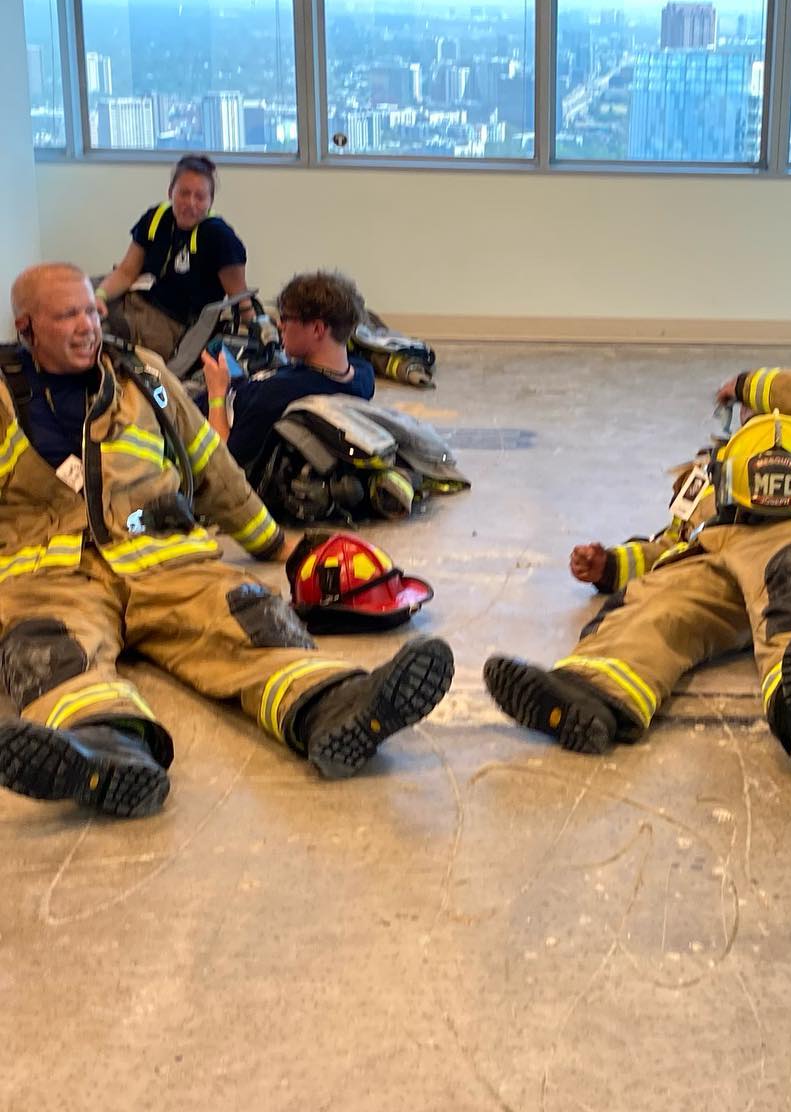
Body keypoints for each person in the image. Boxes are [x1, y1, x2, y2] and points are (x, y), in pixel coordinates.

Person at [0, 265, 452, 819]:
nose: (88, 324)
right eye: (68, 313)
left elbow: (210, 464)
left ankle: (333, 705)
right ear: (25, 327)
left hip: (165, 558)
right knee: (49, 653)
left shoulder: (145, 377)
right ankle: (104, 749)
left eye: (92, 310)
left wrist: (272, 544)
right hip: (52, 578)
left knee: (249, 616)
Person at [484, 366, 791, 781]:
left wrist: (748, 384)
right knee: (658, 601)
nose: (746, 414)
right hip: (715, 553)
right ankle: (592, 692)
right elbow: (674, 540)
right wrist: (613, 565)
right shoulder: (709, 475)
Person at [201, 270, 376, 476]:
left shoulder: (275, 395)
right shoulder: (363, 375)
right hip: (243, 385)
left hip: (199, 420)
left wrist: (216, 392)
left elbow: (224, 463)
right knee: (221, 350)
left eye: (286, 318)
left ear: (318, 329)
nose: (279, 324)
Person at [94, 155, 253, 363]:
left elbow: (240, 298)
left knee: (100, 330)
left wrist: (259, 327)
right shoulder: (156, 218)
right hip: (136, 297)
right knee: (72, 298)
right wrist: (98, 296)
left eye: (200, 197)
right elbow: (126, 272)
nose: (191, 203)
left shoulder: (220, 237)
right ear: (171, 192)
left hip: (172, 323)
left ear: (210, 201)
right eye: (184, 194)